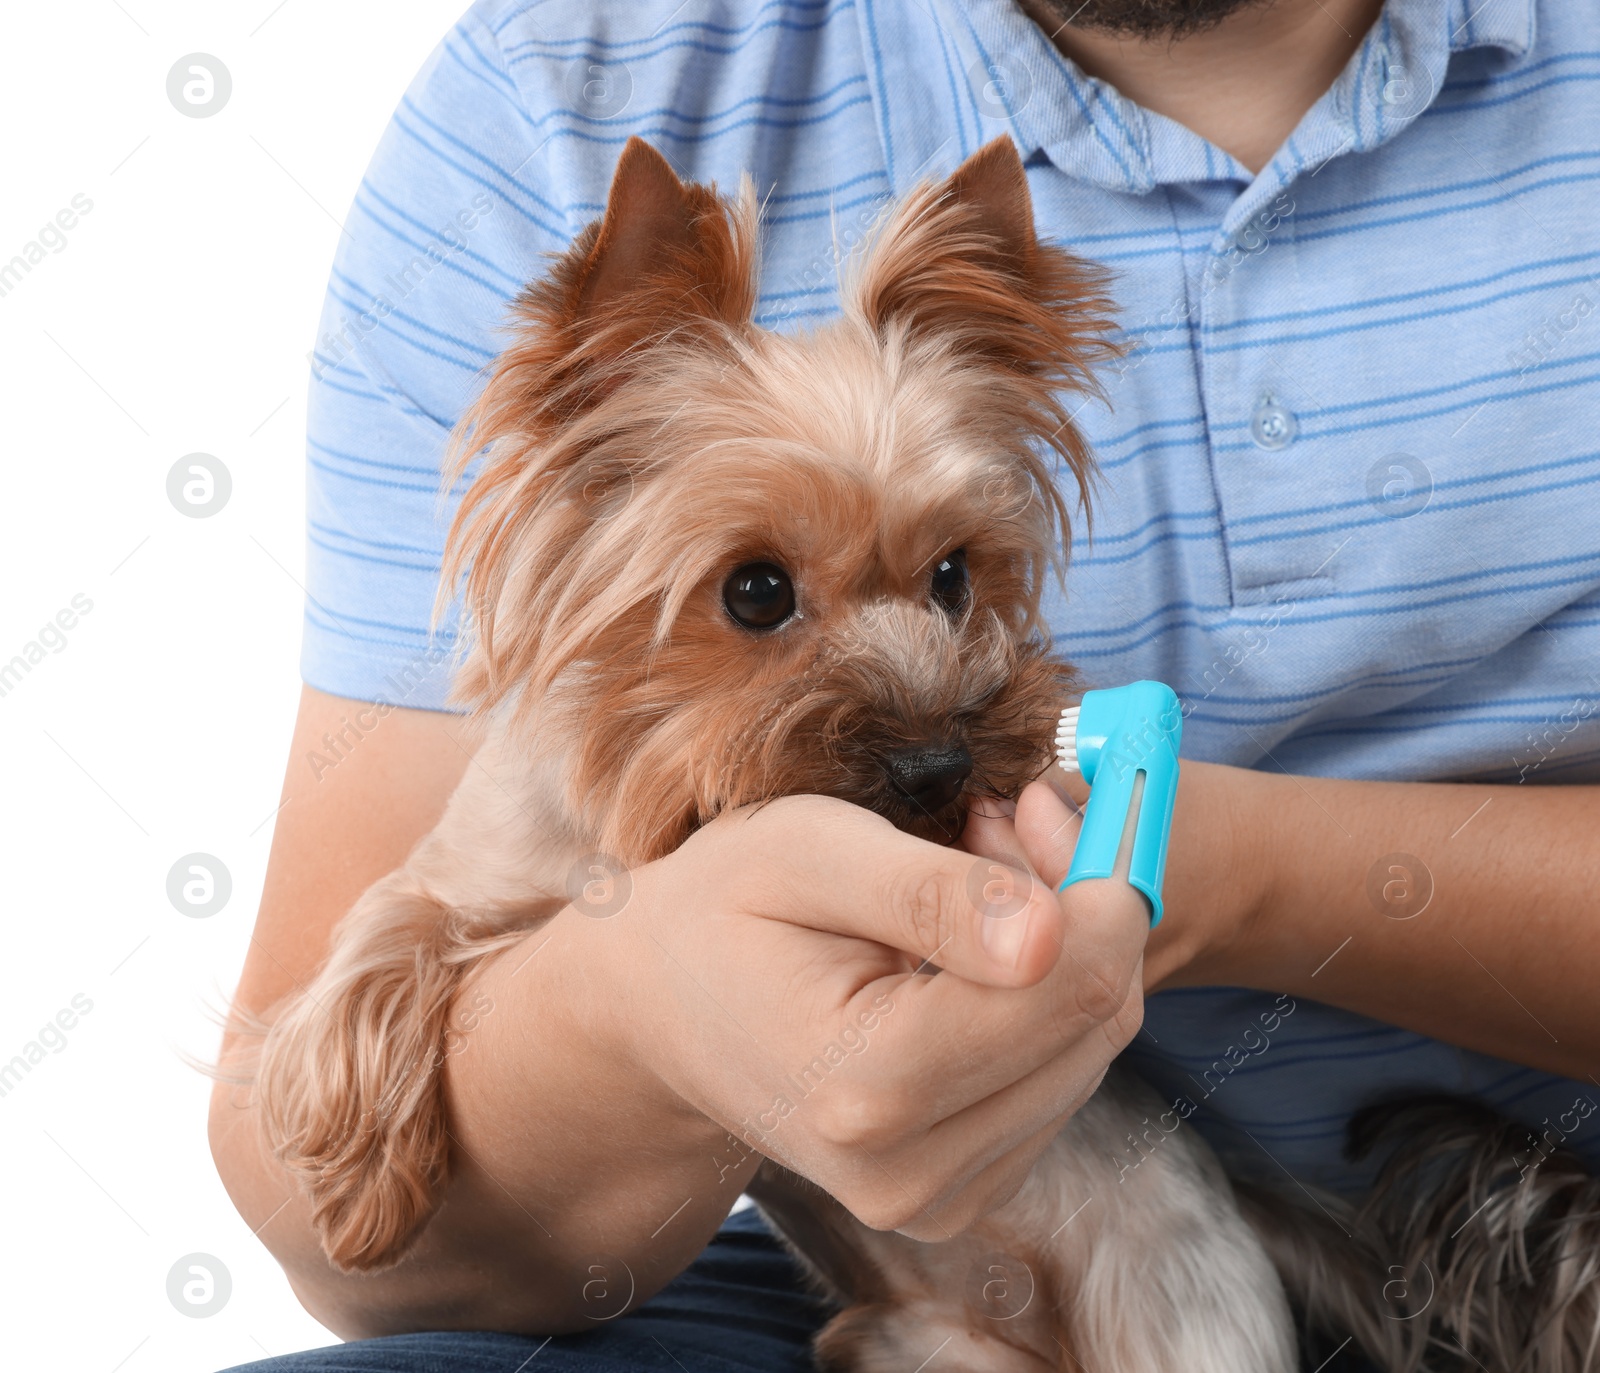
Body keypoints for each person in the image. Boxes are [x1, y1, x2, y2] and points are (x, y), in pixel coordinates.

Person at [212, 1, 1600, 1369]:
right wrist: (644, 1017)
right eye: (761, 596)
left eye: (950, 583)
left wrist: (1210, 872)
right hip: (832, 1274)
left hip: (1281, 1237)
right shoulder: (554, 92)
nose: (919, 691)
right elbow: (334, 1216)